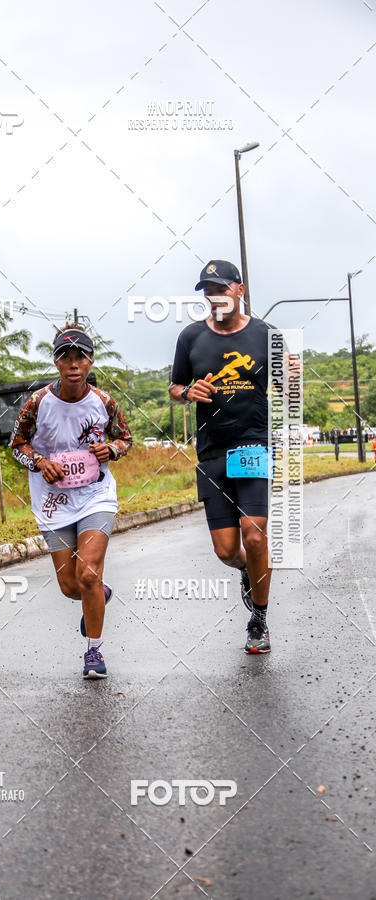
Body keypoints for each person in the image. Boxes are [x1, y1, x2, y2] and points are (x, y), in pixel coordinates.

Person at [10, 325, 132, 678]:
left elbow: (125, 438)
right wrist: (40, 462)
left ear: (91, 361)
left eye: (80, 356)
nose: (74, 364)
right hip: (54, 501)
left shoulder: (104, 402)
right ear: (57, 363)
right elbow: (17, 444)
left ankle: (94, 652)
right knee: (69, 586)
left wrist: (110, 449)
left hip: (96, 496)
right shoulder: (38, 402)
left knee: (89, 573)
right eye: (66, 357)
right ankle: (98, 594)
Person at [169, 259, 279, 654]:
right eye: (207, 291)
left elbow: (285, 387)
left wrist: (292, 372)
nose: (214, 297)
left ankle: (259, 620)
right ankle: (249, 574)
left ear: (239, 290)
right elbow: (175, 386)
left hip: (253, 443)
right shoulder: (191, 337)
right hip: (212, 449)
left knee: (254, 534)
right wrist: (187, 393)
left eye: (220, 289)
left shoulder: (267, 334)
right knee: (227, 550)